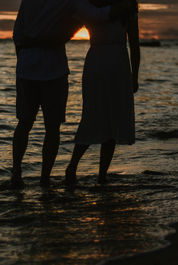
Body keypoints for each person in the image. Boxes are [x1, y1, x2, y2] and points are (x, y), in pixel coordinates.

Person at [11, 0, 132, 189]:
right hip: (54, 69)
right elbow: (96, 15)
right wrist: (124, 6)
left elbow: (17, 34)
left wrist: (25, 58)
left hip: (27, 68)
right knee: (52, 128)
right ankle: (44, 178)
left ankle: (16, 173)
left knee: (24, 123)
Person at [65, 0, 140, 187]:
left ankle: (90, 172)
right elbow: (135, 45)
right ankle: (84, 171)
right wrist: (134, 76)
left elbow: (135, 45)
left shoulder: (101, 7)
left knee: (101, 118)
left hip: (105, 62)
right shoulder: (104, 7)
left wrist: (135, 75)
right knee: (100, 117)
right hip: (110, 61)